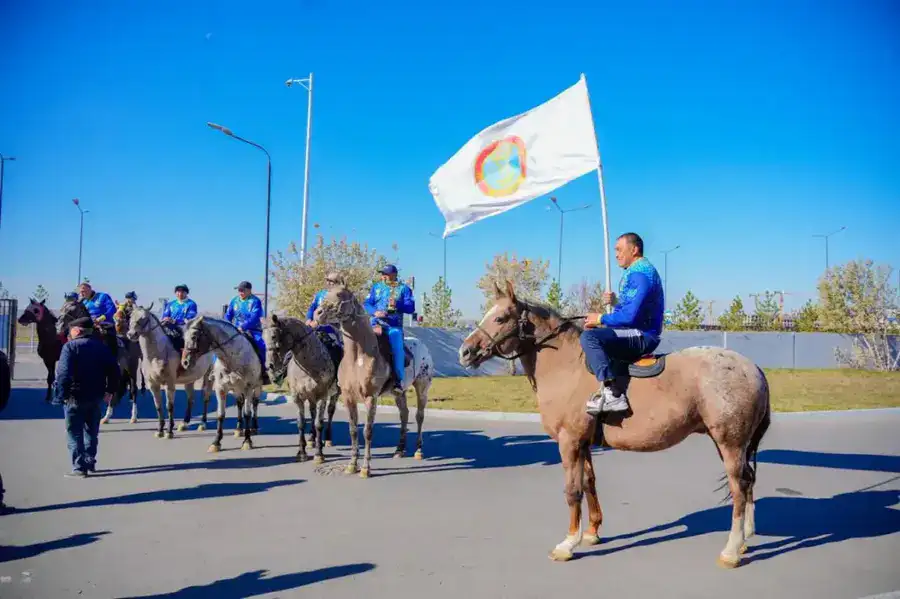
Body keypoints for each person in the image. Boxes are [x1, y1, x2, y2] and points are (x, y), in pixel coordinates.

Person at [581, 232, 664, 416]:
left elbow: (629, 317)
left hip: (642, 335)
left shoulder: (639, 274)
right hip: (637, 330)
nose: (616, 254)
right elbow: (635, 308)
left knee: (590, 337)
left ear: (634, 250)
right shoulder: (640, 271)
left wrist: (600, 319)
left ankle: (612, 395)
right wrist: (616, 302)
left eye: (619, 249)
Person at [53, 316, 119, 477]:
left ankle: (79, 467)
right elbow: (114, 370)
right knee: (91, 431)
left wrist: (61, 395)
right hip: (96, 395)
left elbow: (63, 374)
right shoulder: (102, 347)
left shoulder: (70, 347)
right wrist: (110, 391)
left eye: (71, 330)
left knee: (74, 432)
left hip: (75, 396)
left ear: (77, 330)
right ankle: (90, 462)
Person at [363, 264, 415, 390]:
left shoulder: (404, 289)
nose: (382, 277)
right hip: (375, 323)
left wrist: (398, 304)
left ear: (393, 275)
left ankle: (398, 381)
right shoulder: (376, 287)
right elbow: (367, 303)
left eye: (385, 274)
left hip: (393, 326)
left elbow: (411, 307)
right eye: (382, 274)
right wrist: (375, 312)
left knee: (397, 346)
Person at [224, 281, 270, 385]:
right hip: (234, 329)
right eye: (239, 290)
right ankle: (215, 370)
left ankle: (264, 371)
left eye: (242, 290)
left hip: (252, 330)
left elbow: (255, 317)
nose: (240, 292)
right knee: (220, 343)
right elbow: (228, 315)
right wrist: (226, 325)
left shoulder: (255, 301)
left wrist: (243, 326)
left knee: (262, 345)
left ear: (249, 290)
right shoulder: (234, 301)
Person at [78, 282, 118, 357]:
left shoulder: (103, 296)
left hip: (105, 326)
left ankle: (113, 362)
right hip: (91, 327)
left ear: (90, 289)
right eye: (81, 292)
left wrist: (101, 318)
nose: (82, 294)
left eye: (84, 291)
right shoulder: (83, 302)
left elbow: (112, 309)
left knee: (110, 345)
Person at [161, 284, 198, 351]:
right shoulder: (171, 304)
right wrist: (166, 319)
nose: (180, 293)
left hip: (183, 328)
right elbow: (165, 315)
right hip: (169, 327)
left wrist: (175, 321)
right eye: (178, 291)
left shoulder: (191, 304)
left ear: (186, 293)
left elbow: (189, 318)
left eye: (182, 292)